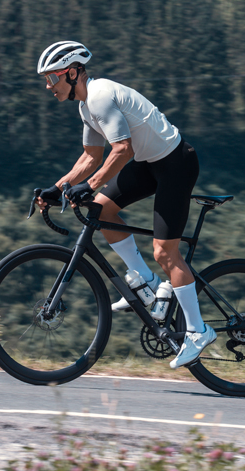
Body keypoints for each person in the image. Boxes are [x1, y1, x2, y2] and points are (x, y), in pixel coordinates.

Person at [34, 40, 216, 369]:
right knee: (102, 209)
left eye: (52, 77)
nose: (49, 86)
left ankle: (198, 331)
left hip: (176, 163)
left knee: (165, 252)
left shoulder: (100, 96)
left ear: (72, 73)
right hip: (150, 163)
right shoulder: (86, 107)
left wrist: (89, 185)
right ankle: (146, 283)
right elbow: (91, 157)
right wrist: (56, 189)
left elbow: (122, 150)